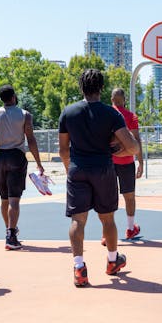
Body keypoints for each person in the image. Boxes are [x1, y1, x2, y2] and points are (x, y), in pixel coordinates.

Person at [58, 69, 139, 287]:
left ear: (81, 87)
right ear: (102, 88)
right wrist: (115, 152)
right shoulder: (111, 114)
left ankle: (79, 268)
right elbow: (132, 147)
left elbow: (63, 150)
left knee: (78, 220)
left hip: (78, 169)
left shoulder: (68, 112)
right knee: (108, 219)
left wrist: (70, 171)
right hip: (103, 169)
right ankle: (112, 261)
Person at [0, 85, 45, 250]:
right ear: (14, 96)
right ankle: (11, 235)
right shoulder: (24, 115)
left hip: (0, 157)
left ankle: (9, 231)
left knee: (4, 198)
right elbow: (31, 139)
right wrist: (38, 162)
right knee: (14, 199)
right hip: (16, 156)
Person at [109, 87, 143, 240]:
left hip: (108, 162)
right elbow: (136, 140)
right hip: (127, 161)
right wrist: (141, 162)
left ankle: (106, 232)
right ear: (124, 99)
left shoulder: (105, 114)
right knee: (129, 197)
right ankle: (130, 228)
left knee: (108, 197)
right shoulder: (131, 116)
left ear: (111, 99)